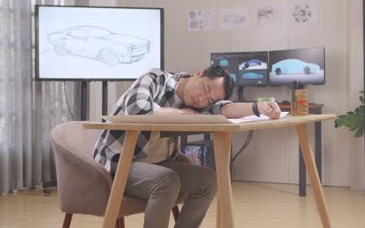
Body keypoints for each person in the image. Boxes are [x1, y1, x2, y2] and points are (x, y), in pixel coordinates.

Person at [93, 66, 281, 228]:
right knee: (167, 181)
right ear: (198, 74)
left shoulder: (196, 104)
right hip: (118, 163)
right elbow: (137, 109)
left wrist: (258, 108)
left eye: (209, 100)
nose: (201, 99)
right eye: (206, 88)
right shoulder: (156, 78)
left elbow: (223, 109)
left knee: (208, 180)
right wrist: (179, 112)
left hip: (158, 163)